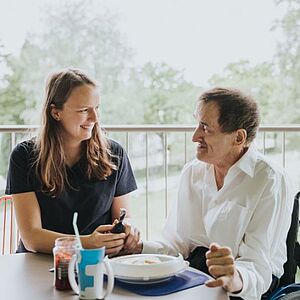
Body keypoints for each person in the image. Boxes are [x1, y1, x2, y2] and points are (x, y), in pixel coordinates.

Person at [131, 88, 294, 300]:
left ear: (238, 137)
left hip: (247, 284)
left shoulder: (269, 180)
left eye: (205, 128)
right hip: (194, 274)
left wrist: (232, 277)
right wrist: (138, 246)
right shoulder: (192, 172)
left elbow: (258, 268)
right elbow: (177, 246)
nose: (194, 136)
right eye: (197, 124)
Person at [5, 68, 139, 256]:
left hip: (97, 264)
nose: (95, 118)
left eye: (97, 108)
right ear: (55, 112)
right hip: (41, 262)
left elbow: (123, 216)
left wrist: (128, 228)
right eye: (84, 110)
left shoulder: (114, 154)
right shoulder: (24, 156)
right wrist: (85, 243)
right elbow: (31, 238)